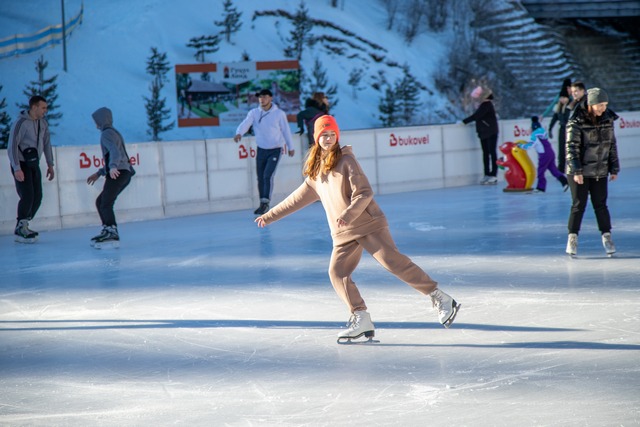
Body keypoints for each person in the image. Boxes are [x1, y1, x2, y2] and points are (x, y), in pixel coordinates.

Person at [255, 115, 460, 342]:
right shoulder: (315, 172)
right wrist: (269, 216)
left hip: (367, 224)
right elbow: (296, 199)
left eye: (332, 134)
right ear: (316, 137)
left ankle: (439, 297)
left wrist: (348, 214)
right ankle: (360, 317)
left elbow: (364, 192)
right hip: (343, 233)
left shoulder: (346, 160)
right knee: (338, 273)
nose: (329, 138)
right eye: (324, 134)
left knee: (392, 262)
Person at [565, 88, 620, 256]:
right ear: (591, 103)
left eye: (605, 105)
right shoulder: (576, 120)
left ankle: (607, 235)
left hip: (600, 170)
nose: (603, 108)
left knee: (601, 205)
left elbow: (611, 144)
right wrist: (577, 170)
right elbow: (571, 148)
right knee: (578, 204)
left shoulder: (607, 119)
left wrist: (614, 167)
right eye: (600, 105)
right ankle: (572, 237)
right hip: (578, 172)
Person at [234, 89, 295, 215]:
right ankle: (262, 203)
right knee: (260, 177)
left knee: (267, 175)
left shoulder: (279, 114)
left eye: (265, 97)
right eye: (260, 97)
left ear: (271, 98)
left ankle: (266, 203)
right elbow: (246, 123)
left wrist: (290, 146)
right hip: (261, 149)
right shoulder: (254, 113)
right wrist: (239, 133)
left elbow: (286, 131)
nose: (262, 99)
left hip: (275, 149)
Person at [7, 95, 55, 243]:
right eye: (43, 108)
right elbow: (12, 146)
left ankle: (24, 224)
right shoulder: (21, 123)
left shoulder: (43, 123)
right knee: (27, 195)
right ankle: (21, 226)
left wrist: (50, 164)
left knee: (37, 196)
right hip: (21, 164)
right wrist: (16, 168)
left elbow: (47, 143)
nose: (45, 111)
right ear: (34, 107)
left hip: (34, 163)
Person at [86, 107, 135, 248]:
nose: (96, 124)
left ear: (101, 120)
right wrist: (100, 172)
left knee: (105, 203)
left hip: (118, 172)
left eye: (96, 121)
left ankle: (112, 232)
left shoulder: (106, 134)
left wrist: (112, 167)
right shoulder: (113, 132)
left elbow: (114, 153)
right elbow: (117, 155)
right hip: (124, 172)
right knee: (101, 201)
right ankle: (108, 229)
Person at [521, 116, 568, 193]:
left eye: (530, 127)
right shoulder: (542, 132)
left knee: (540, 171)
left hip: (544, 155)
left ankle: (540, 188)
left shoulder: (534, 136)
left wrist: (520, 146)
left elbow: (529, 146)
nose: (529, 129)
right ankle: (565, 182)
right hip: (551, 153)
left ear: (533, 128)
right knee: (554, 170)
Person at [462, 86, 499, 185]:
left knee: (491, 153)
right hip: (484, 132)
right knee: (486, 153)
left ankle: (493, 175)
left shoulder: (486, 105)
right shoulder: (484, 105)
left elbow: (477, 116)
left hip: (490, 132)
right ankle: (487, 174)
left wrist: (464, 122)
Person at [548, 94, 571, 173]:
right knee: (561, 150)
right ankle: (561, 169)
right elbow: (554, 119)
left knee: (571, 150)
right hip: (562, 129)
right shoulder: (558, 107)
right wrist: (550, 129)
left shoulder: (570, 106)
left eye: (564, 97)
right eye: (561, 98)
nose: (563, 100)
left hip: (570, 130)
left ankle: (573, 168)